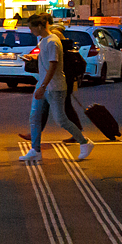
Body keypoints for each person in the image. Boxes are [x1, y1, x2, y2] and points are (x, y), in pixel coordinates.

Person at [20, 13, 92, 163]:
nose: (30, 31)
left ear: (39, 26)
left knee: (61, 120)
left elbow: (53, 65)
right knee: (35, 118)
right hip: (44, 85)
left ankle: (84, 143)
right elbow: (47, 62)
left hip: (55, 87)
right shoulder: (43, 41)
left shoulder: (53, 42)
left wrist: (43, 86)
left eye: (31, 28)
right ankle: (35, 150)